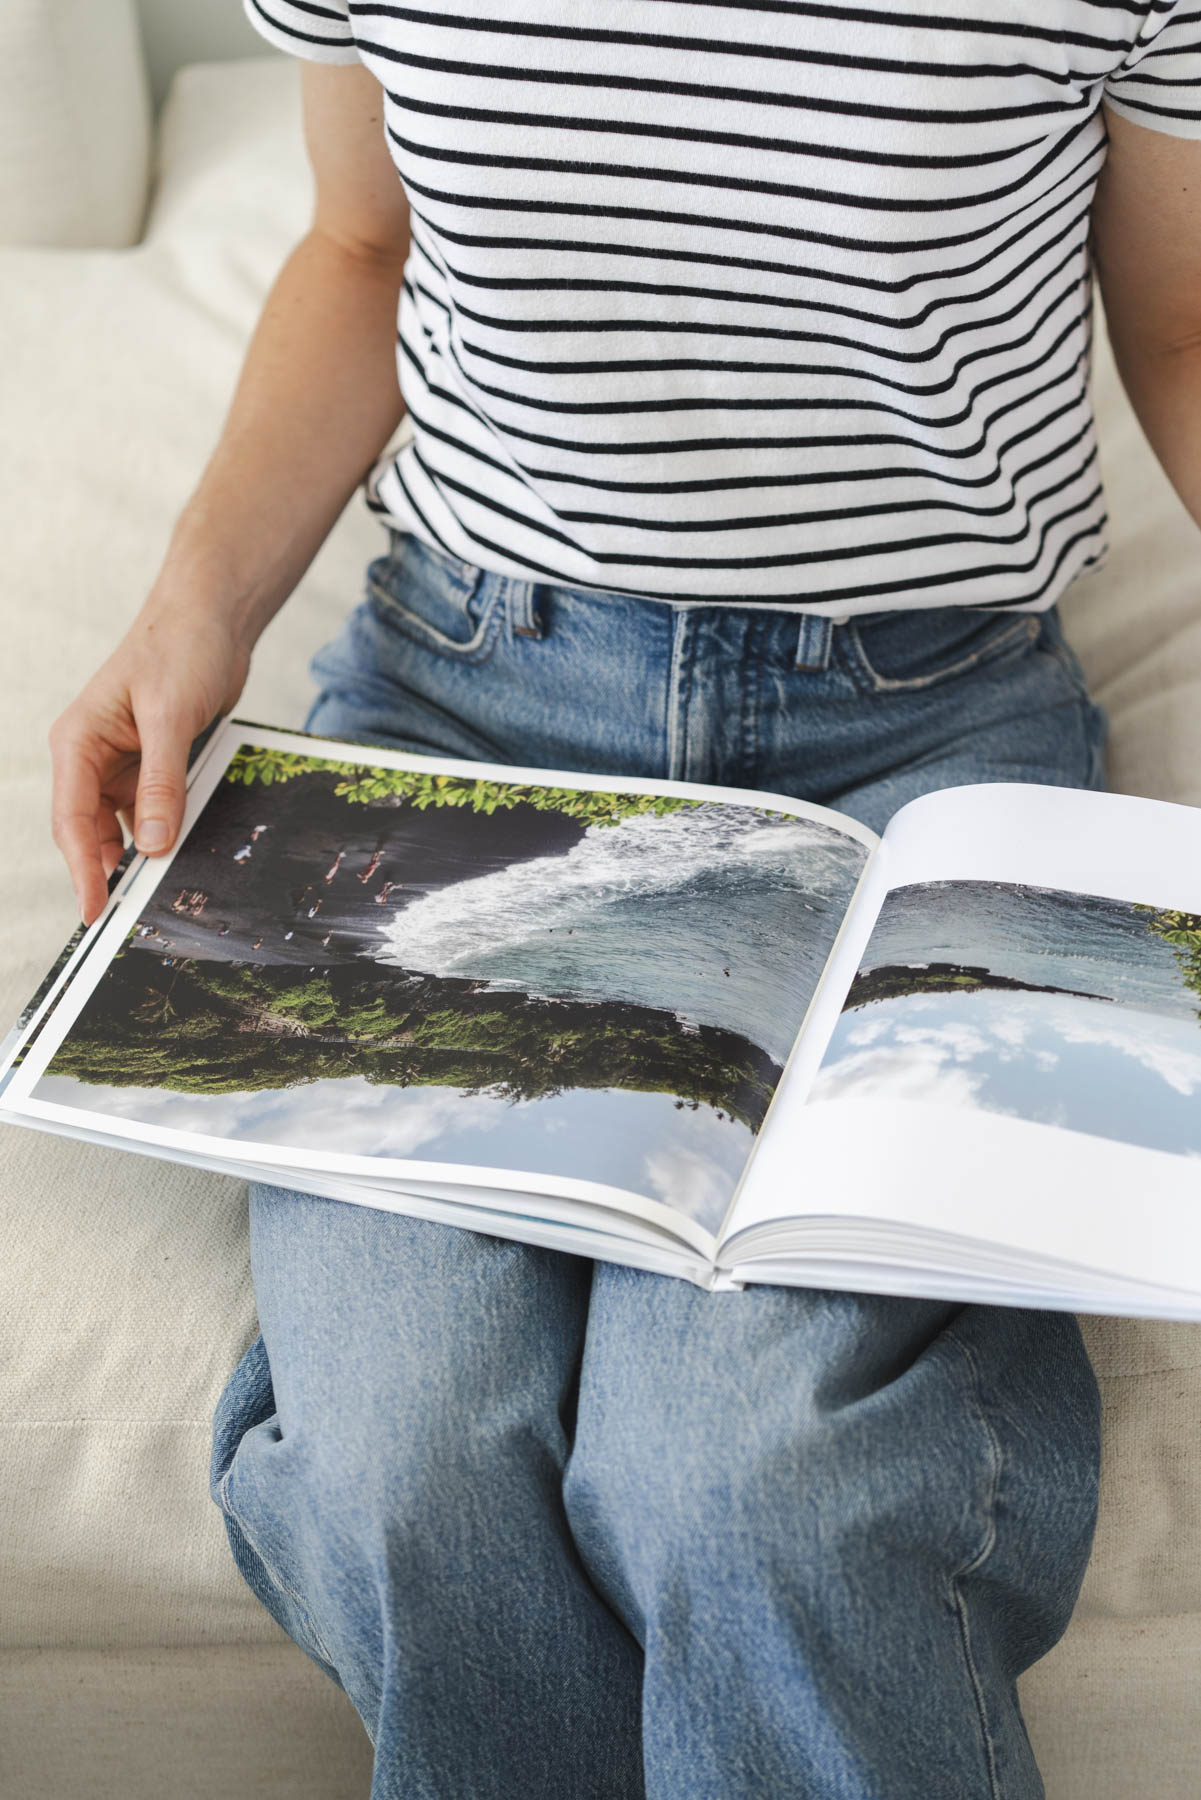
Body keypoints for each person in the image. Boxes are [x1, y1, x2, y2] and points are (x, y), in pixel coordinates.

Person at [47, 5, 1201, 1797]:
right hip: (472, 714)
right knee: (405, 1471)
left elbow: (1182, 330)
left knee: (753, 1488)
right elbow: (363, 244)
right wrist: (189, 612)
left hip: (926, 745)